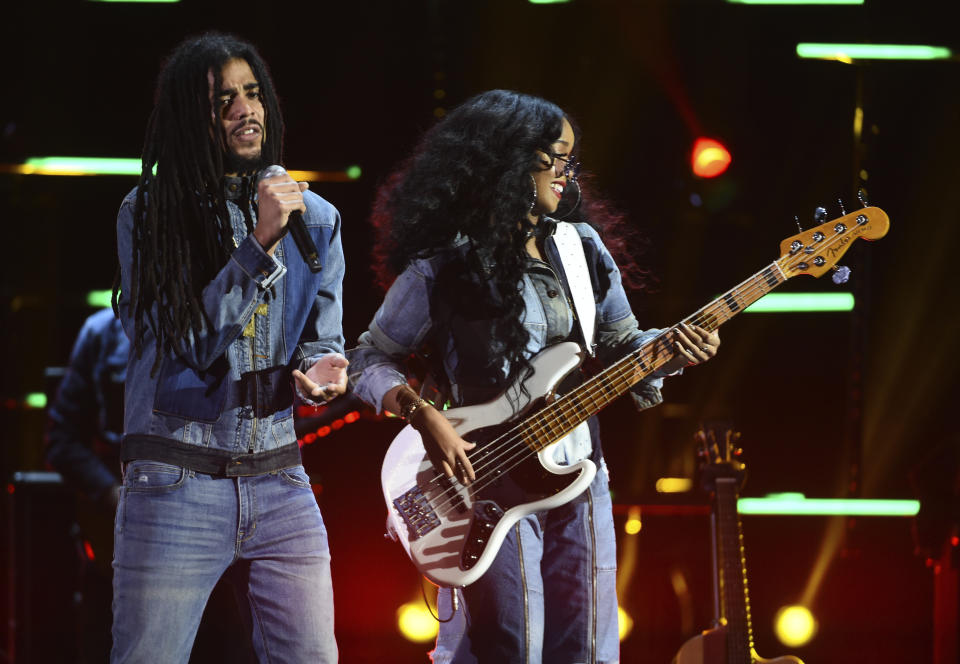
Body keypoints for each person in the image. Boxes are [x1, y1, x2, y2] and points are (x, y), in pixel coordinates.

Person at [349, 89, 720, 663]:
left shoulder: (581, 248)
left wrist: (676, 349)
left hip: (579, 469)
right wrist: (422, 416)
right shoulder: (443, 267)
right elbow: (368, 358)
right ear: (509, 160)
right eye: (556, 155)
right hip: (481, 477)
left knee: (588, 647)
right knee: (512, 645)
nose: (569, 172)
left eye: (571, 158)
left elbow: (625, 345)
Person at [112, 32, 346, 663]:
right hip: (175, 477)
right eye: (224, 101)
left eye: (252, 93)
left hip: (280, 481)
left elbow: (322, 339)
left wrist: (322, 370)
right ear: (197, 119)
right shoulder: (152, 212)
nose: (247, 110)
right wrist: (261, 240)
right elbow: (188, 341)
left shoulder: (316, 217)